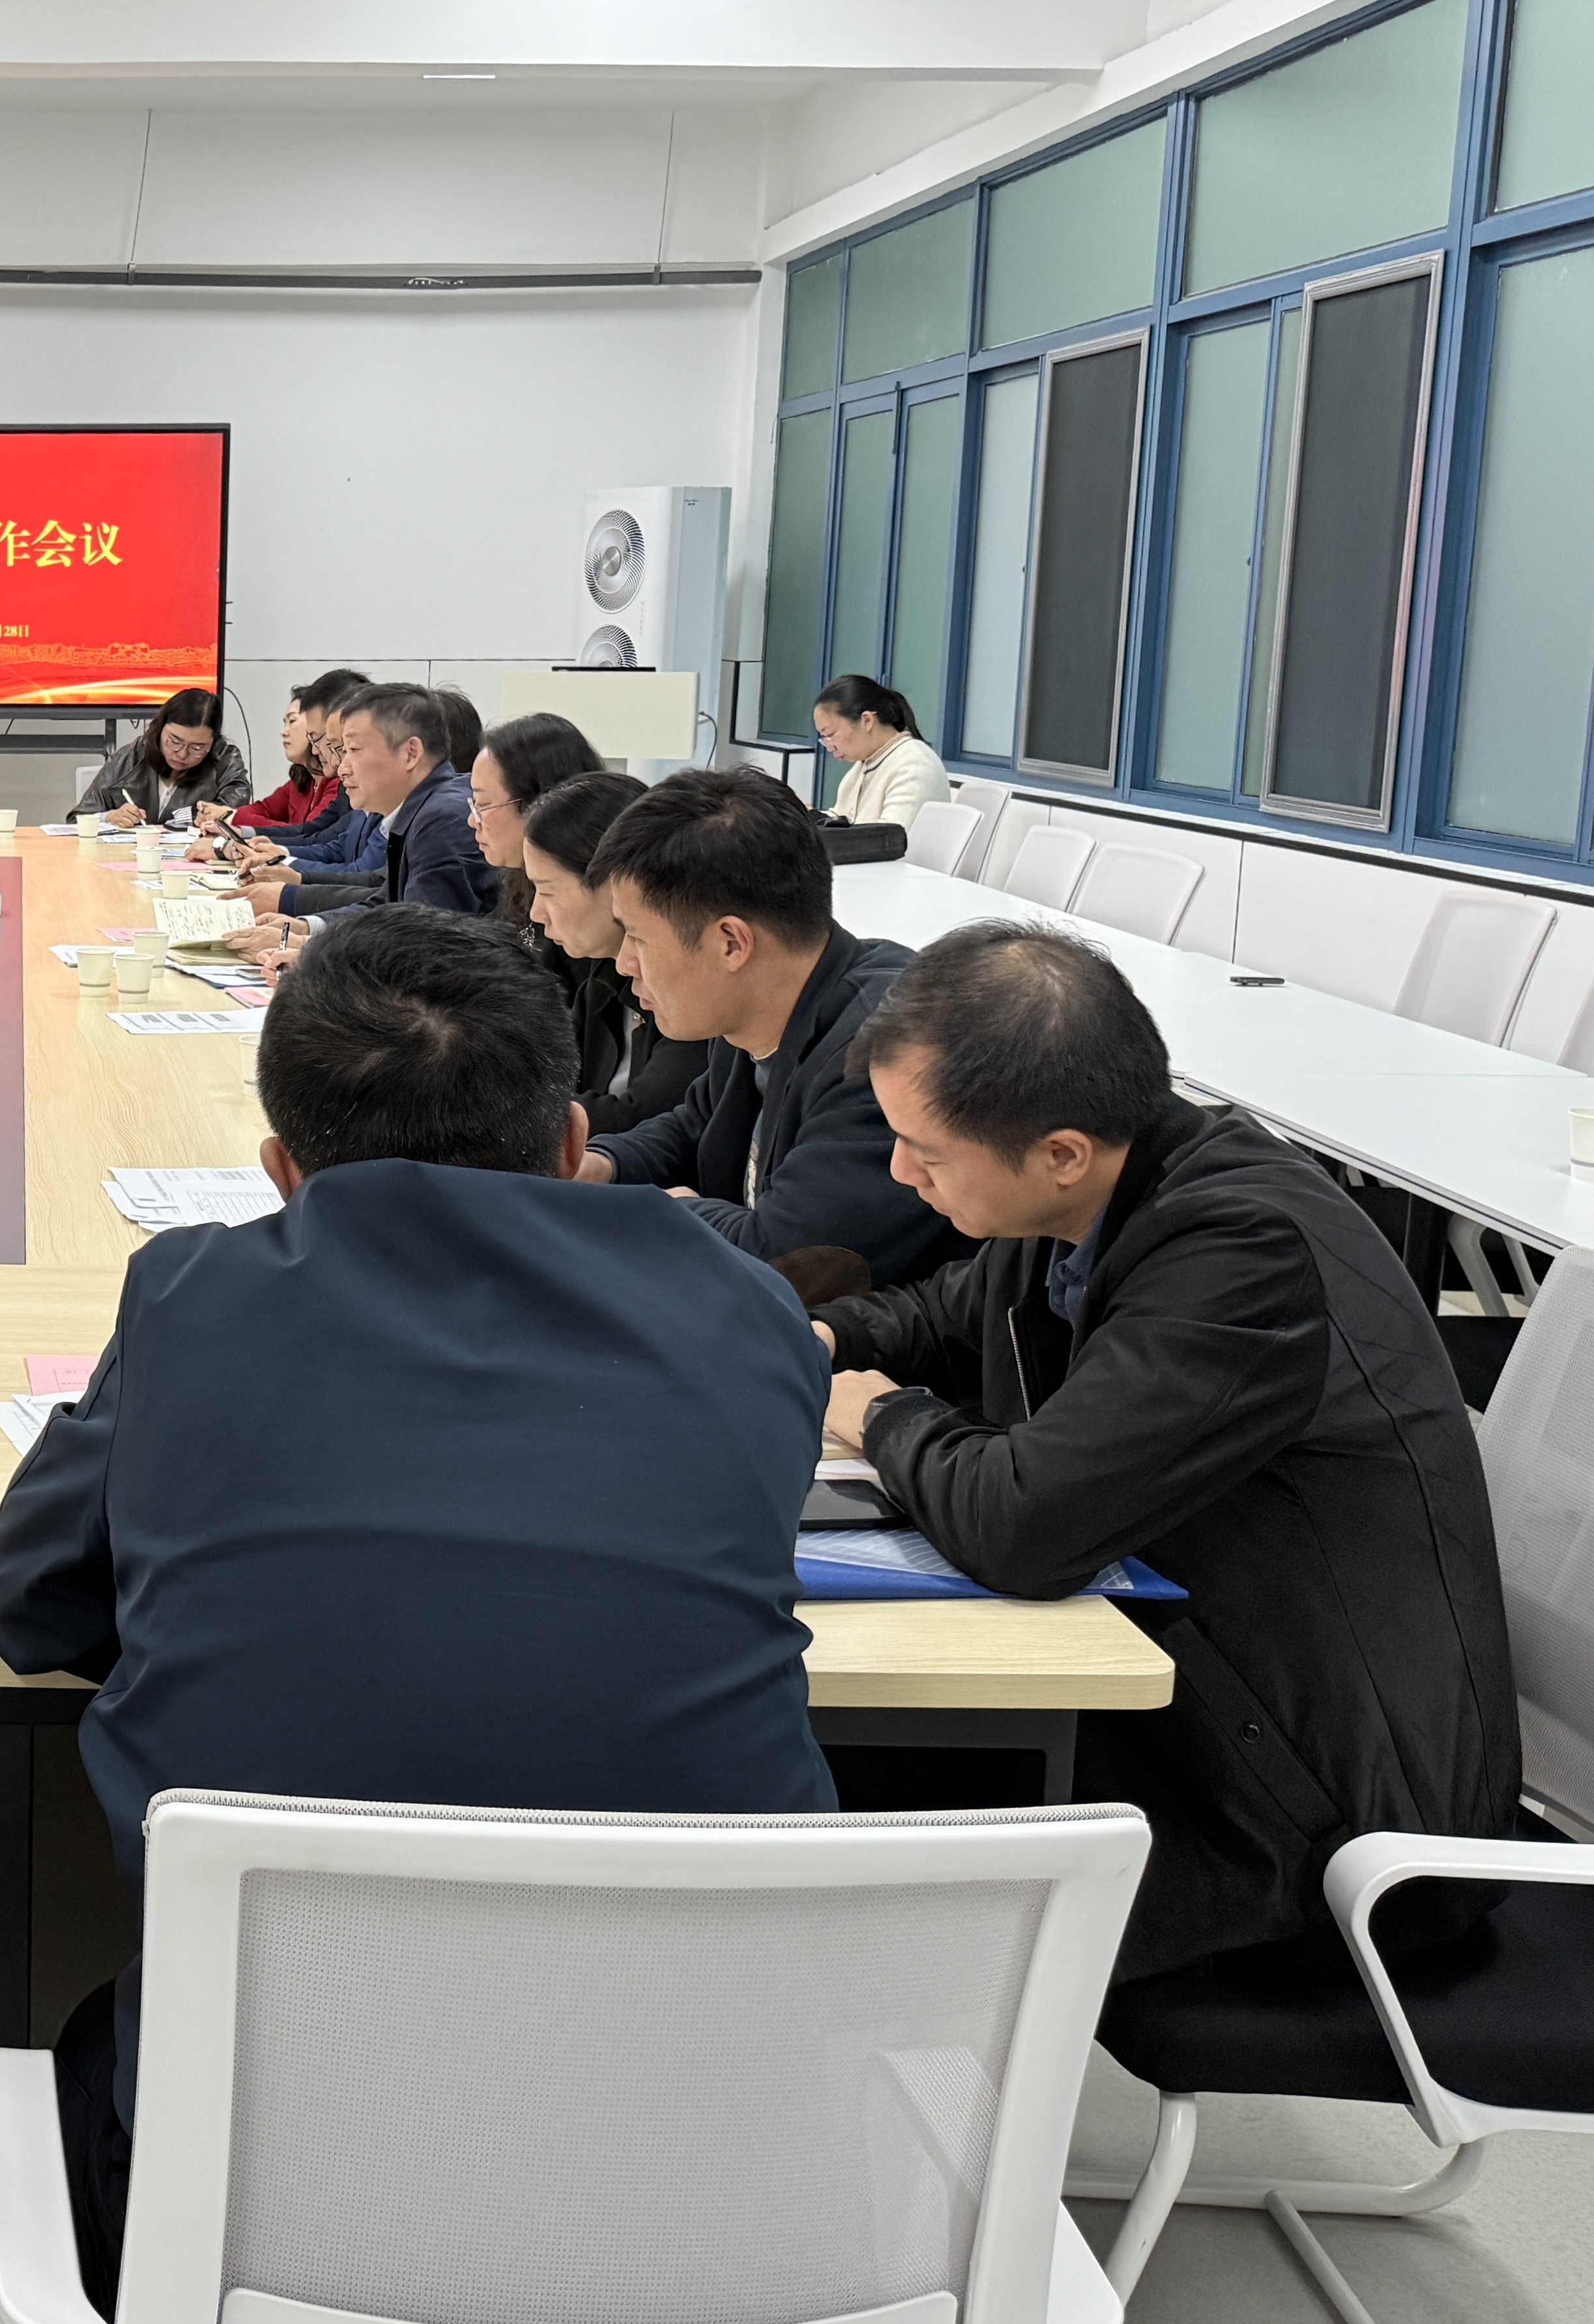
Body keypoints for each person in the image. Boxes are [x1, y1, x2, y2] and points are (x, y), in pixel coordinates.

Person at [0, 906, 834, 2294]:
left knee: (90, 2037)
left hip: (265, 2198)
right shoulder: (744, 1311)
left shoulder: (193, 1298)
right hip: (700, 2178)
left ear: (280, 1170)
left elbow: (34, 1607)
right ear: (571, 1142)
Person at [818, 923, 1521, 1980]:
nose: (897, 1169)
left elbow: (1023, 1524)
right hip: (1210, 1713)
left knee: (836, 1849)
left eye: (926, 1150)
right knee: (833, 1776)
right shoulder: (1107, 1185)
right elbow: (948, 1312)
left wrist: (883, 1419)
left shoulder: (1241, 1253)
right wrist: (823, 1340)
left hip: (1326, 1826)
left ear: (1060, 1152)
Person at [574, 766, 963, 1285]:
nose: (624, 963)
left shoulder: (885, 1052)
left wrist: (673, 1211)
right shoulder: (758, 1005)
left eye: (639, 938)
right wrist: (602, 1163)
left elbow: (786, 1258)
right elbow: (696, 1124)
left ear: (731, 943)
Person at [521, 769, 711, 1137]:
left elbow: (649, 1119)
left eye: (548, 891)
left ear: (615, 881)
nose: (536, 913)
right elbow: (550, 1081)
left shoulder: (688, 985)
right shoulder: (601, 978)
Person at [239, 682, 493, 932]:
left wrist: (304, 946)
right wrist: (306, 928)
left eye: (353, 750)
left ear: (411, 753)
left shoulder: (443, 819)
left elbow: (419, 938)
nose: (342, 768)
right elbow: (386, 904)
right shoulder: (421, 809)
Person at [466, 710, 604, 929]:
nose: (472, 821)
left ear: (538, 803)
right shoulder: (516, 881)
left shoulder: (582, 909)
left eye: (482, 804)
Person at [205, 669, 366, 835]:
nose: (284, 732)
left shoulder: (342, 783)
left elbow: (310, 836)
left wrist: (233, 819)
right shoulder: (301, 778)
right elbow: (267, 811)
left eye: (292, 721)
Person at [70, 688, 252, 827]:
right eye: (175, 741)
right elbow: (77, 820)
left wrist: (208, 819)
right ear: (160, 729)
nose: (182, 754)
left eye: (197, 748)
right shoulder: (131, 757)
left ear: (214, 743)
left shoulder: (225, 762)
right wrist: (109, 817)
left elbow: (233, 817)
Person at [814, 676, 950, 828]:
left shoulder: (915, 765)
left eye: (830, 735)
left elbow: (890, 837)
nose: (830, 747)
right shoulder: (866, 762)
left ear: (867, 721)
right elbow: (841, 817)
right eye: (824, 738)